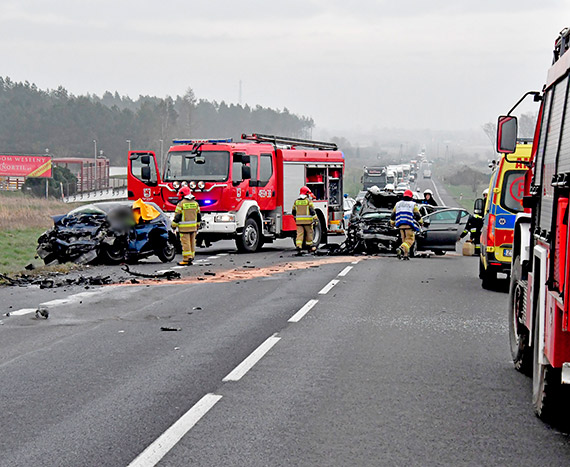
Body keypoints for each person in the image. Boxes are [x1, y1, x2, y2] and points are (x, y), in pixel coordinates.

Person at [391, 189, 423, 260]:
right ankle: (401, 249)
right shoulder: (412, 204)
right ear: (411, 197)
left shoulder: (398, 204)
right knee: (410, 240)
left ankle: (405, 255)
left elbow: (393, 215)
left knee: (404, 240)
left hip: (400, 225)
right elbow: (417, 215)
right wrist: (421, 222)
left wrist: (392, 223)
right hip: (408, 224)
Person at [172, 186, 201, 265]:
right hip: (193, 227)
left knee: (185, 243)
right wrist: (198, 225)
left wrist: (173, 226)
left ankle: (186, 259)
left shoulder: (181, 204)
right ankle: (191, 256)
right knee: (192, 243)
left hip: (184, 229)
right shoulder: (195, 203)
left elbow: (177, 216)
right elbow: (198, 216)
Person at [292, 186, 317, 254]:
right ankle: (309, 246)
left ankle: (299, 246)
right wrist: (315, 219)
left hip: (299, 222)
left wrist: (295, 218)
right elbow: (312, 211)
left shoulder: (296, 201)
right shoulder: (308, 201)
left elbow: (293, 211)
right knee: (309, 233)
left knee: (299, 234)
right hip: (307, 222)